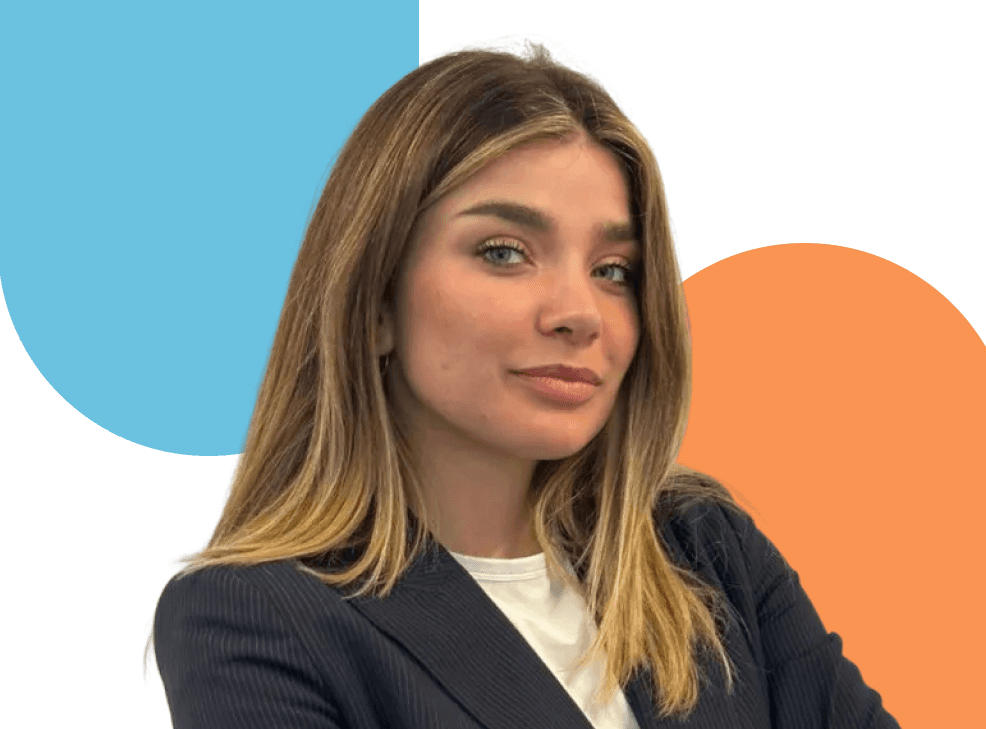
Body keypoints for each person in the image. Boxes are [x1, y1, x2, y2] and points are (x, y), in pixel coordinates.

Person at [146, 41, 900, 728]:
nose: (580, 313)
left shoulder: (704, 550)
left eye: (614, 270)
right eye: (504, 252)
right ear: (375, 302)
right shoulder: (255, 617)